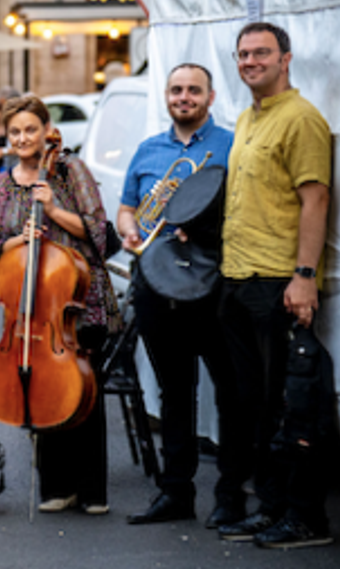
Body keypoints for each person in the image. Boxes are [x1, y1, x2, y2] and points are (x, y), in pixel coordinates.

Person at [214, 23, 332, 549]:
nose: (249, 61)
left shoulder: (303, 119)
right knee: (255, 404)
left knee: (292, 405)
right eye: (242, 54)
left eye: (261, 52)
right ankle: (272, 508)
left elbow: (316, 201)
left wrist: (304, 277)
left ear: (286, 58)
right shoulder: (245, 118)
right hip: (238, 278)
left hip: (280, 282)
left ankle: (305, 516)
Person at [0, 95, 121, 515]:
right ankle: (56, 486)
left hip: (78, 302)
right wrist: (16, 241)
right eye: (15, 132)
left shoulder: (69, 170)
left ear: (46, 131)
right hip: (31, 311)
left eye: (30, 129)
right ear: (7, 138)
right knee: (41, 392)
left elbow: (100, 233)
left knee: (85, 395)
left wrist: (52, 210)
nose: (24, 138)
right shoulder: (1, 185)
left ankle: (92, 489)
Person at [117, 64, 241, 528]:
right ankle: (176, 493)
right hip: (156, 280)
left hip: (212, 283)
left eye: (193, 90)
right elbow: (128, 207)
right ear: (166, 96)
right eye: (176, 90)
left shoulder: (230, 145)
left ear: (210, 97)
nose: (183, 97)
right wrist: (130, 229)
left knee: (228, 391)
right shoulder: (149, 149)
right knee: (174, 390)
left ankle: (230, 495)